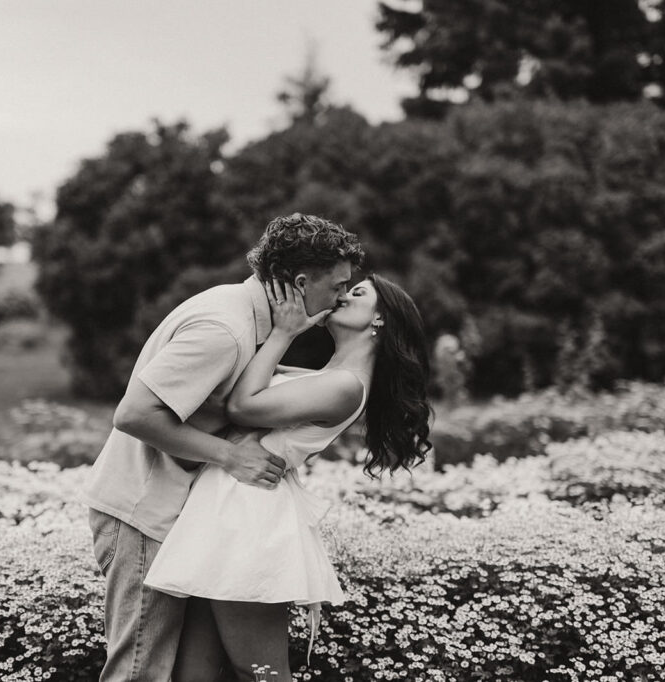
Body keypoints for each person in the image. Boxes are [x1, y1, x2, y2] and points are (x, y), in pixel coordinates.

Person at [77, 213, 365, 682]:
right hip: (142, 513)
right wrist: (231, 456)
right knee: (140, 670)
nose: (339, 298)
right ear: (299, 282)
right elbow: (134, 415)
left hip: (171, 512)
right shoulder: (224, 329)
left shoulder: (246, 318)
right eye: (336, 286)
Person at [144, 273, 433, 682]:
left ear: (380, 319)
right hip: (226, 504)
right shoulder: (321, 374)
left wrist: (283, 331)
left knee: (262, 673)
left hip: (249, 516)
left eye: (358, 292)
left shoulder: (346, 387)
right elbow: (240, 380)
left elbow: (243, 407)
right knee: (194, 673)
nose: (343, 296)